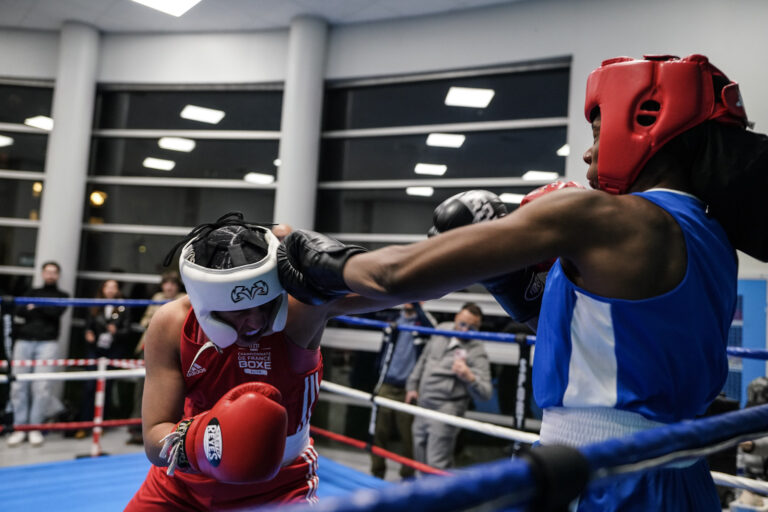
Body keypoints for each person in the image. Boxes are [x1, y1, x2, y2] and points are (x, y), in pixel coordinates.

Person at [277, 54, 762, 510]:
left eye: (595, 131)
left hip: (597, 474)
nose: (590, 154)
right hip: (684, 473)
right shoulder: (715, 238)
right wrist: (525, 297)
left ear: (644, 122)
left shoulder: (598, 215)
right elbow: (623, 346)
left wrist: (320, 260)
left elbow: (395, 275)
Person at [125, 212, 401, 510]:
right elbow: (155, 438)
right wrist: (205, 442)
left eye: (263, 303)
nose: (256, 321)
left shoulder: (299, 311)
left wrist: (340, 263)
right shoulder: (173, 323)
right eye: (240, 310)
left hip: (279, 486)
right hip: (181, 483)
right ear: (206, 302)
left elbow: (394, 285)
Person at [405, 302, 491, 471]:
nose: (465, 330)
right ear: (456, 318)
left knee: (437, 464)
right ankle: (425, 495)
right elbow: (424, 359)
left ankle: (441, 496)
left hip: (446, 409)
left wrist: (469, 377)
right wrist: (412, 386)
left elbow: (486, 393)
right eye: (463, 324)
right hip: (423, 404)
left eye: (472, 328)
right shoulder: (442, 329)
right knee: (419, 459)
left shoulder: (477, 350)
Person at [6, 261, 69, 447]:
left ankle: (34, 427)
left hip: (47, 343)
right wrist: (41, 308)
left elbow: (55, 313)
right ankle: (19, 428)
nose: (50, 275)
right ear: (42, 273)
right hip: (24, 341)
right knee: (18, 386)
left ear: (57, 275)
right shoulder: (31, 292)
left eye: (53, 272)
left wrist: (37, 307)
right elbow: (19, 310)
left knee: (41, 387)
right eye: (47, 272)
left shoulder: (62, 295)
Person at [370, 302, 435, 479]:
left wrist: (416, 303)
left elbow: (433, 331)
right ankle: (377, 473)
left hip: (409, 389)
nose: (408, 300)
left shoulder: (423, 322)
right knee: (380, 433)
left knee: (409, 437)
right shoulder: (393, 320)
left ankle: (407, 476)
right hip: (387, 383)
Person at [126, 271, 186, 445]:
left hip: (174, 349)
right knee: (142, 388)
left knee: (171, 389)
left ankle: (171, 429)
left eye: (172, 284)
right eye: (166, 284)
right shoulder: (157, 297)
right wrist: (157, 320)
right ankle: (138, 427)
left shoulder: (184, 299)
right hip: (148, 346)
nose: (169, 287)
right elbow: (145, 321)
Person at [75, 279, 131, 437]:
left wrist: (116, 332)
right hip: (95, 349)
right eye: (108, 286)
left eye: (114, 287)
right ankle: (84, 424)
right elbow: (87, 326)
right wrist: (88, 333)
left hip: (113, 350)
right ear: (103, 289)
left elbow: (127, 330)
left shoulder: (123, 307)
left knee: (107, 385)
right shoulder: (95, 305)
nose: (111, 290)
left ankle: (102, 423)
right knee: (89, 386)